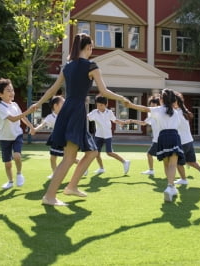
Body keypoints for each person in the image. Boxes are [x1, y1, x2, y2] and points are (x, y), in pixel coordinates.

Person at [26, 33, 130, 206]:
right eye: (92, 47)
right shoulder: (91, 66)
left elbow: (52, 90)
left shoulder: (68, 66)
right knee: (69, 157)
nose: (92, 50)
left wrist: (38, 103)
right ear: (88, 47)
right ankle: (50, 196)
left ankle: (71, 187)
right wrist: (121, 99)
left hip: (67, 109)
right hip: (76, 111)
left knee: (93, 152)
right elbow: (103, 91)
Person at [125, 88, 185, 202]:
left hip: (162, 137)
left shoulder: (158, 110)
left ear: (161, 99)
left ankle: (170, 186)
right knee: (173, 164)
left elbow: (144, 108)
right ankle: (170, 187)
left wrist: (130, 104)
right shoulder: (176, 112)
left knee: (166, 164)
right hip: (174, 136)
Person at [0, 78, 36, 189]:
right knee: (8, 164)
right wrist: (29, 111)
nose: (12, 93)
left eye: (12, 90)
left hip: (17, 135)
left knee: (17, 155)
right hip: (4, 138)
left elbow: (22, 118)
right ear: (0, 94)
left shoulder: (15, 104)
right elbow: (13, 119)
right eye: (8, 90)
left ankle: (19, 174)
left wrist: (31, 127)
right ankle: (10, 182)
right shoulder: (0, 107)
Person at [33, 96, 86, 179]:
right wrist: (35, 129)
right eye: (63, 103)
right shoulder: (50, 117)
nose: (65, 105)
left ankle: (83, 168)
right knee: (53, 158)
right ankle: (55, 173)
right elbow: (42, 125)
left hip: (65, 139)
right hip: (55, 138)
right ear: (55, 105)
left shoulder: (66, 115)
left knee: (69, 158)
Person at [87, 96, 131, 175]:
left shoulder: (109, 112)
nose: (99, 107)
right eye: (97, 105)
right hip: (98, 136)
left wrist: (121, 122)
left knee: (109, 153)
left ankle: (125, 162)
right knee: (96, 153)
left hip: (108, 136)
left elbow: (114, 120)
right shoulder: (94, 112)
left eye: (101, 105)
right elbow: (87, 117)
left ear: (106, 104)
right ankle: (101, 168)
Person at [174, 92, 200, 185]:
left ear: (175, 102)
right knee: (191, 161)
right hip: (189, 141)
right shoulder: (184, 112)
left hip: (181, 142)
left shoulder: (176, 113)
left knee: (177, 162)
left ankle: (183, 179)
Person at [129, 96, 160, 175]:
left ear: (158, 105)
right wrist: (132, 121)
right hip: (156, 140)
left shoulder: (160, 113)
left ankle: (151, 170)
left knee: (152, 154)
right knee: (151, 154)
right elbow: (143, 123)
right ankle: (151, 170)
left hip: (161, 139)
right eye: (151, 105)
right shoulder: (151, 116)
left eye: (154, 105)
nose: (152, 107)